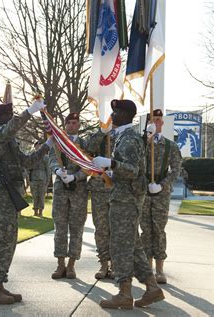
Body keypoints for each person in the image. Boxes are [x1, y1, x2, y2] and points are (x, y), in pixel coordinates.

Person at [92, 99, 164, 309]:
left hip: (126, 201)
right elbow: (130, 170)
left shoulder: (129, 138)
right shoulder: (124, 136)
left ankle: (124, 293)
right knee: (133, 247)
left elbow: (133, 170)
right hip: (123, 197)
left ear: (125, 115)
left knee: (121, 246)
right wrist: (110, 172)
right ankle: (152, 288)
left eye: (116, 111)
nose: (112, 115)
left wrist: (110, 163)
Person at [0, 99, 50, 305]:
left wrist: (46, 146)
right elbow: (11, 128)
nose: (13, 120)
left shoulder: (9, 141)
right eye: (9, 117)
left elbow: (27, 161)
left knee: (9, 240)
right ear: (2, 119)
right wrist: (29, 111)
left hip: (9, 195)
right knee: (1, 239)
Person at [140, 109, 182, 284]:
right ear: (147, 123)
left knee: (159, 230)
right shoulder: (140, 144)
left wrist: (162, 184)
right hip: (143, 191)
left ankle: (159, 269)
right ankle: (147, 269)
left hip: (161, 193)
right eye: (152, 120)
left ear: (162, 123)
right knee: (145, 230)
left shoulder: (170, 146)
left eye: (158, 120)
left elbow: (176, 169)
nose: (156, 123)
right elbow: (134, 165)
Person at [49, 112, 88, 280]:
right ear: (65, 125)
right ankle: (60, 264)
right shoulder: (58, 143)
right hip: (60, 189)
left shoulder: (84, 143)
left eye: (75, 123)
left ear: (79, 125)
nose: (72, 125)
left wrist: (75, 176)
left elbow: (88, 165)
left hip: (78, 189)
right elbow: (51, 160)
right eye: (69, 123)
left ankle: (71, 265)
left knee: (77, 228)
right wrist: (58, 171)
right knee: (60, 228)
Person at [85, 128, 115, 279]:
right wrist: (102, 132)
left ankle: (116, 265)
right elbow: (88, 149)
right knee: (101, 229)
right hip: (99, 188)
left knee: (117, 230)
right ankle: (104, 264)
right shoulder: (97, 136)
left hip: (118, 188)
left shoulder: (126, 135)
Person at [28, 141, 50, 217]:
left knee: (41, 195)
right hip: (33, 178)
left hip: (42, 178)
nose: (38, 146)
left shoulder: (46, 157)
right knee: (34, 195)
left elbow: (48, 169)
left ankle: (40, 211)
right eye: (37, 145)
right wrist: (28, 181)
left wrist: (48, 180)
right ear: (35, 146)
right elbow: (28, 168)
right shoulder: (32, 156)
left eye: (40, 145)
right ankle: (35, 211)